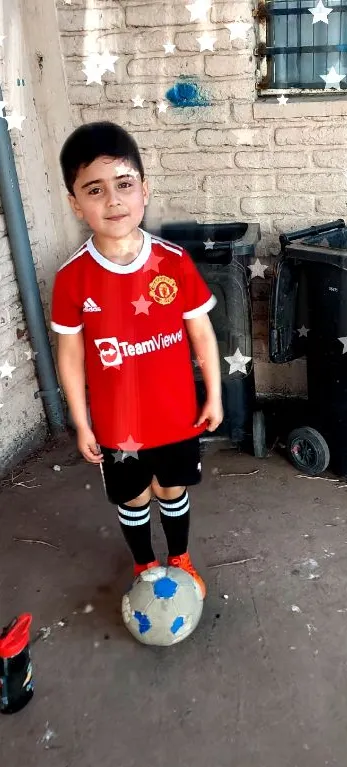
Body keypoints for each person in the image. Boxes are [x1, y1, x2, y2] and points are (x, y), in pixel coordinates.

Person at [51, 121, 223, 598]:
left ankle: (180, 559)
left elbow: (201, 333)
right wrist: (82, 423)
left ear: (143, 191)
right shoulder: (72, 279)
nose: (113, 200)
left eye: (124, 184)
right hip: (116, 423)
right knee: (133, 496)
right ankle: (145, 565)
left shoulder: (173, 262)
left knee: (171, 490)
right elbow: (70, 357)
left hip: (175, 417)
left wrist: (214, 392)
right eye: (94, 189)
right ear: (75, 202)